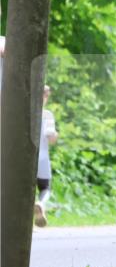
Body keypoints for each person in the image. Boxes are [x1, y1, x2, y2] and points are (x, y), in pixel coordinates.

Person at [33, 85, 58, 228]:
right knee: (45, 187)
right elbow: (51, 137)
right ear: (45, 97)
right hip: (42, 159)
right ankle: (41, 204)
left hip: (23, 160)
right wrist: (56, 135)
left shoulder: (24, 114)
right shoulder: (47, 115)